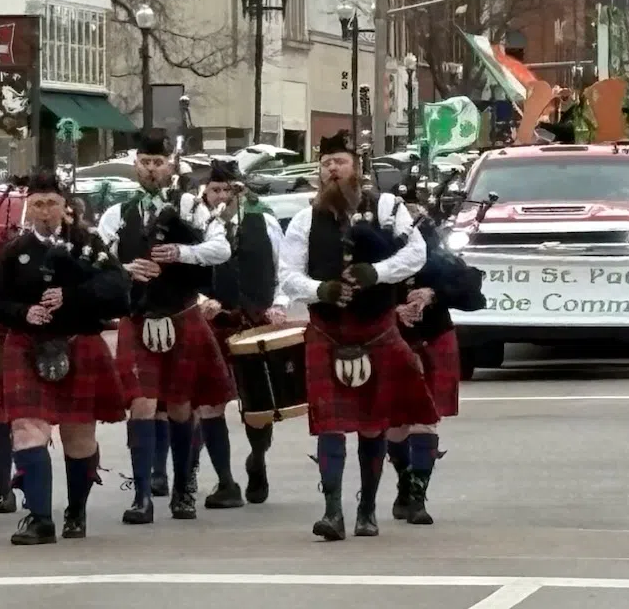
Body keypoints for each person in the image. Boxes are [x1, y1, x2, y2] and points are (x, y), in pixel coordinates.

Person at [278, 133, 438, 541]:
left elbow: (416, 253)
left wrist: (376, 273)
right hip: (328, 331)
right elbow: (288, 275)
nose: (333, 169)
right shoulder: (304, 219)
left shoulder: (388, 209)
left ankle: (367, 509)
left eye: (341, 162)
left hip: (376, 329)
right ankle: (333, 511)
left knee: (373, 425)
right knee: (329, 425)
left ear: (357, 168)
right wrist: (321, 290)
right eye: (327, 162)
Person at [97, 132, 232, 524]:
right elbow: (96, 259)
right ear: (136, 165)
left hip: (181, 314)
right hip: (138, 318)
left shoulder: (190, 206)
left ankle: (184, 489)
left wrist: (179, 253)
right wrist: (124, 268)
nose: (151, 168)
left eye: (157, 162)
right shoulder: (117, 213)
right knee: (139, 403)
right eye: (144, 161)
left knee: (180, 405)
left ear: (170, 166)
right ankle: (141, 495)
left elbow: (220, 248)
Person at [0, 170, 130, 545]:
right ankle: (39, 518)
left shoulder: (88, 244)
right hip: (29, 345)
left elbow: (119, 291)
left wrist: (73, 296)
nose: (46, 211)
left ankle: (76, 512)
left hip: (79, 341)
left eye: (52, 203)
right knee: (26, 429)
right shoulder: (14, 252)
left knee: (78, 436)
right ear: (27, 207)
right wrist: (24, 313)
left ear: (65, 206)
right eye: (38, 204)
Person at [195, 161, 290, 508]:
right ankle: (224, 481)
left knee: (259, 404)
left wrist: (279, 304)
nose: (222, 196)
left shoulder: (262, 223)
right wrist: (202, 300)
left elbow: (283, 268)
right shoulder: (196, 225)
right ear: (206, 193)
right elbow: (183, 276)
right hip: (214, 322)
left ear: (241, 192)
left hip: (256, 321)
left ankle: (257, 458)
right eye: (215, 190)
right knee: (210, 402)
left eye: (228, 189)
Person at [387, 203, 486, 525]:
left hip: (434, 339)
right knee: (395, 425)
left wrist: (433, 294)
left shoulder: (432, 249)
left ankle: (417, 496)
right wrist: (393, 312)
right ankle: (404, 483)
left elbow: (472, 294)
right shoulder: (373, 246)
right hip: (388, 341)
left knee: (424, 420)